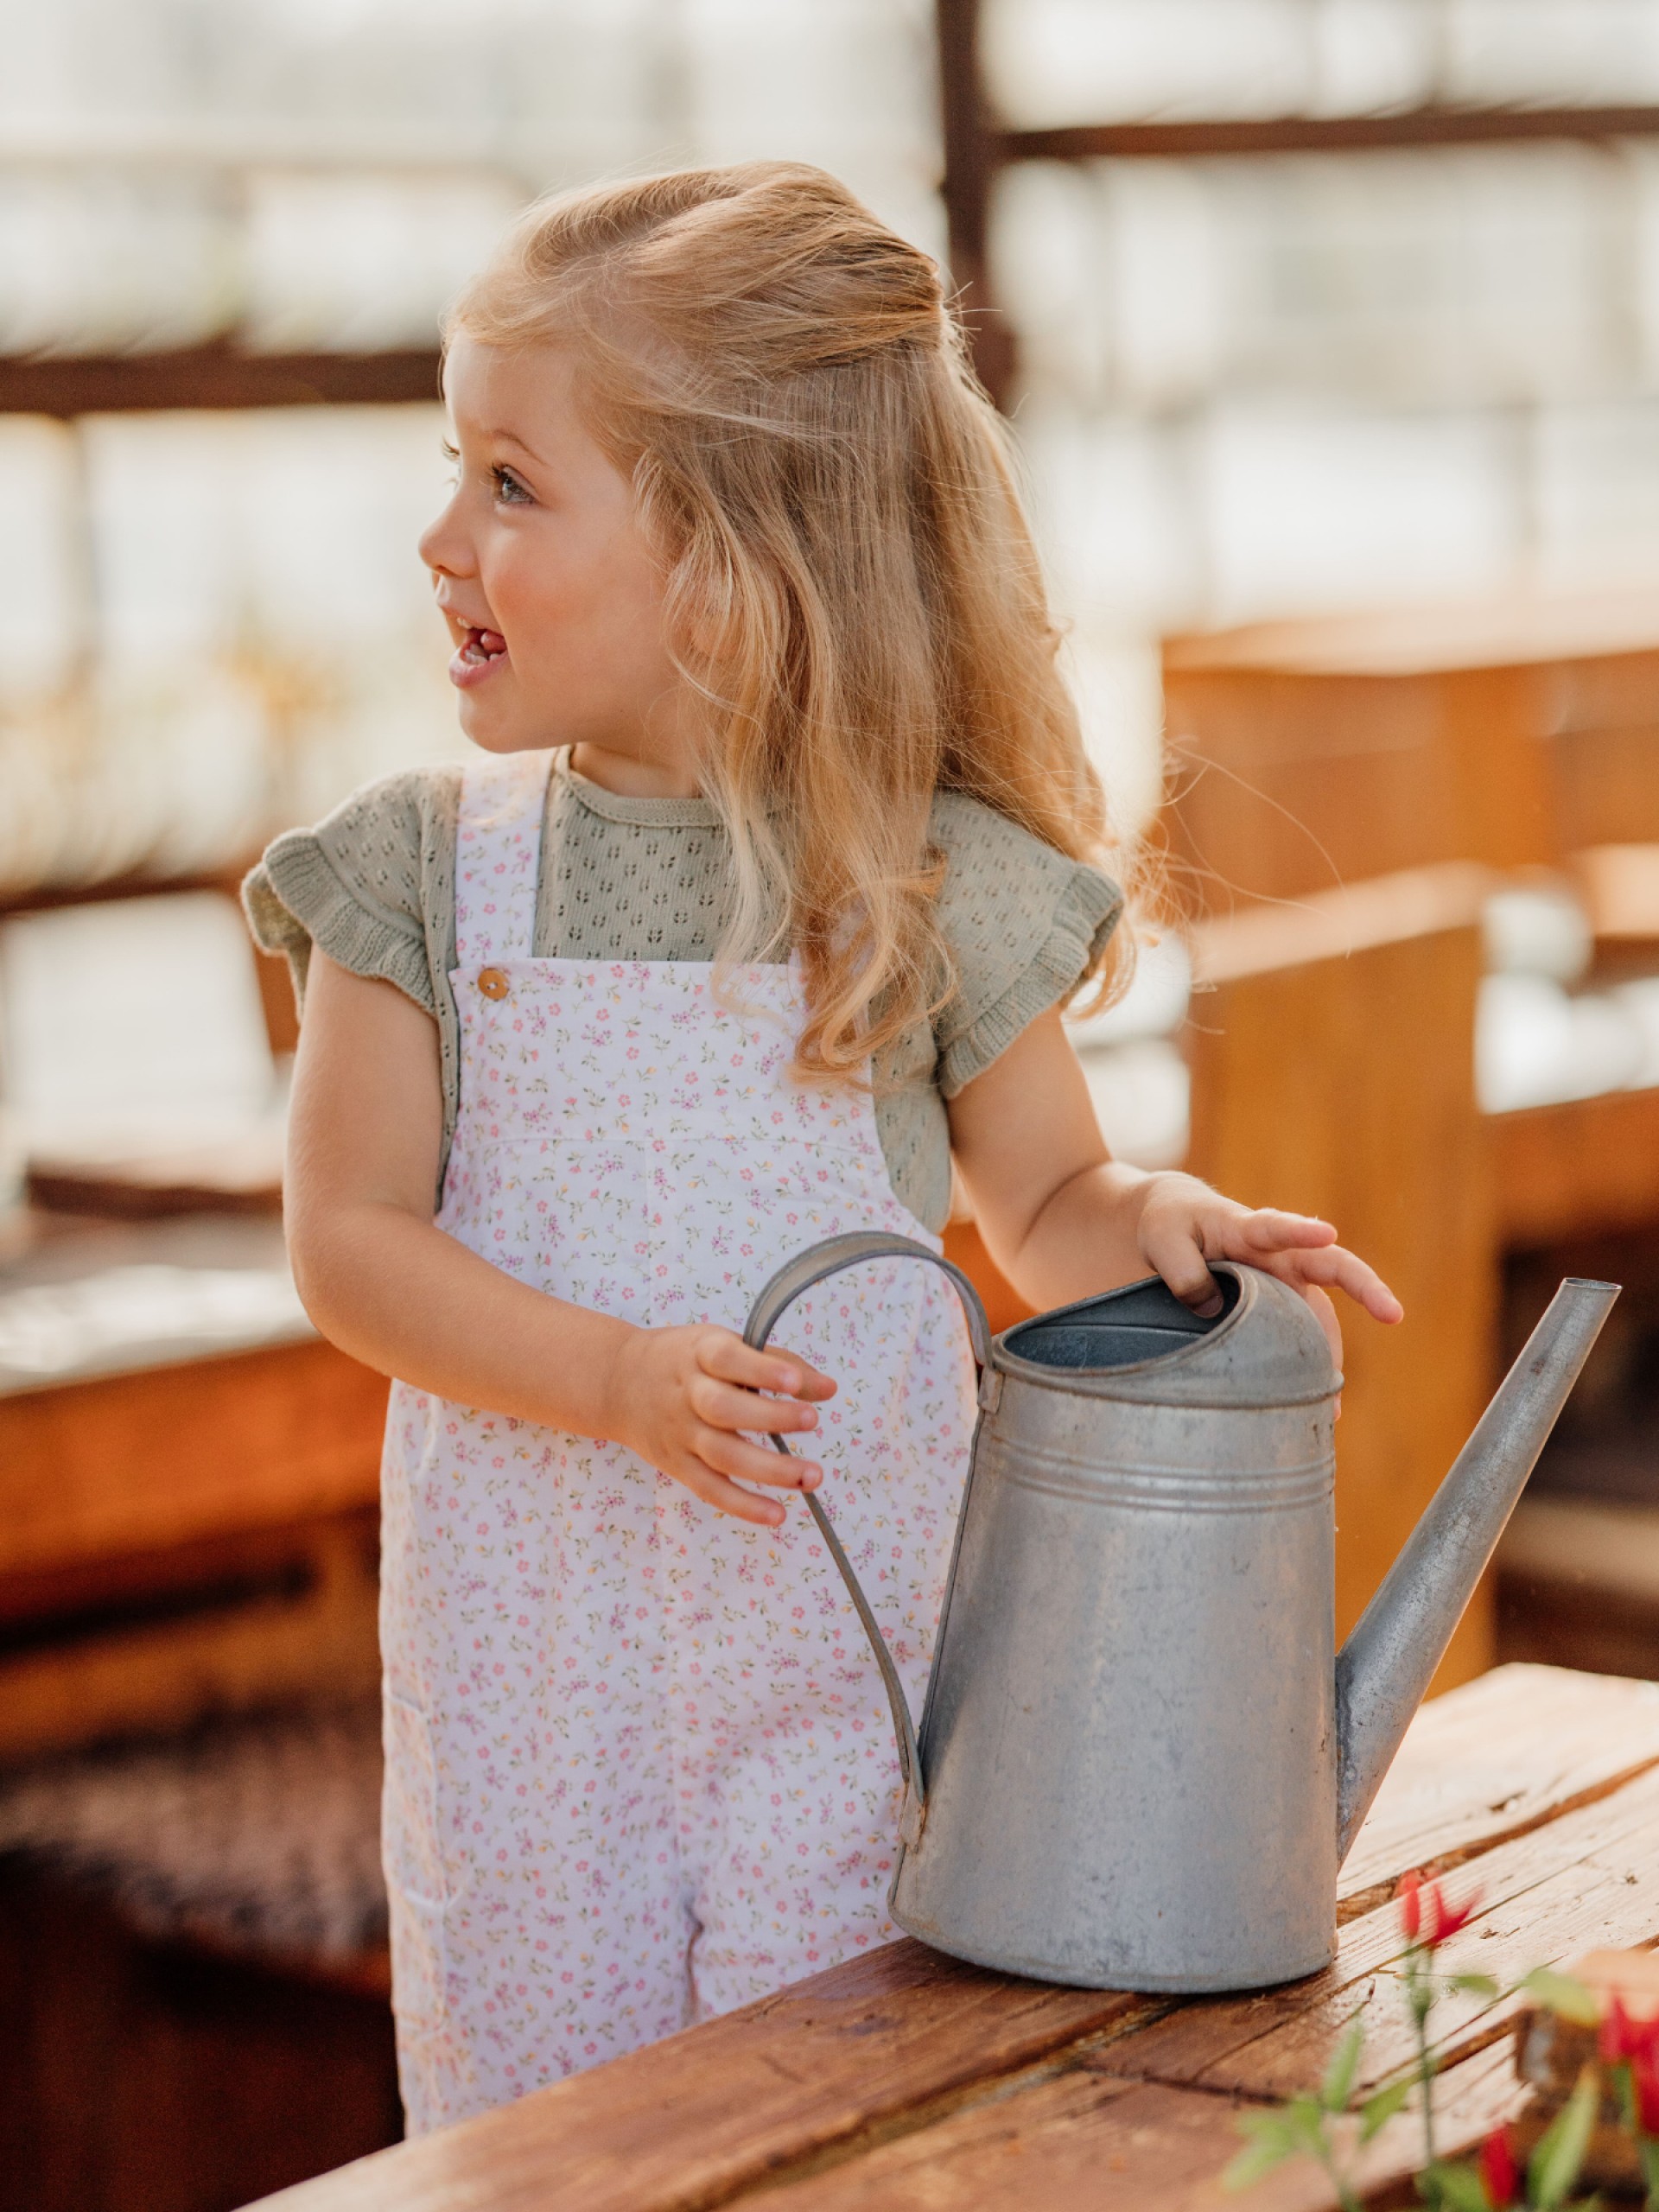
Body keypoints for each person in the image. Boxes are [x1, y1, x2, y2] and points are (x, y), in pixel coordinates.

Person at [245, 162, 1401, 2133]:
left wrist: (1166, 1228)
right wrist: (609, 1378)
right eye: (457, 469)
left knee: (845, 2127)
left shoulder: (919, 879)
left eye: (513, 482)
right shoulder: (423, 881)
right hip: (532, 1724)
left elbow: (1040, 1200)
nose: (443, 535)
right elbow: (345, 1242)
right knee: (550, 2144)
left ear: (733, 554)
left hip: (844, 1704)